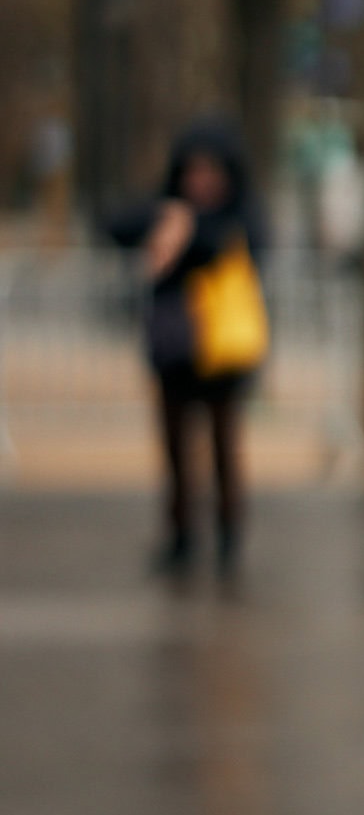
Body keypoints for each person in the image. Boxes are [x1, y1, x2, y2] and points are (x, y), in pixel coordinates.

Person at [107, 117, 266, 575]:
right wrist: (170, 219)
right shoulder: (167, 208)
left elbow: (248, 243)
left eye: (210, 172)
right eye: (194, 172)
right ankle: (181, 533)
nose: (201, 181)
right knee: (175, 444)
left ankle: (229, 531)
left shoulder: (237, 214)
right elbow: (117, 224)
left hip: (220, 348)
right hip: (176, 345)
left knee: (223, 441)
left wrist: (187, 231)